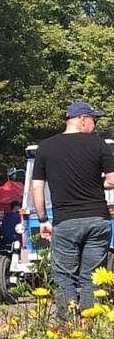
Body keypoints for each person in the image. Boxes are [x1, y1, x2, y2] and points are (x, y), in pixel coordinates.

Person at [32, 100, 114, 321]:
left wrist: (42, 219)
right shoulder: (98, 144)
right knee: (92, 277)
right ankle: (90, 324)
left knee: (65, 277)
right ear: (82, 119)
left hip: (65, 221)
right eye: (94, 121)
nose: (95, 126)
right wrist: (95, 183)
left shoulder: (45, 147)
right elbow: (112, 180)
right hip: (98, 220)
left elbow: (37, 186)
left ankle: (68, 328)